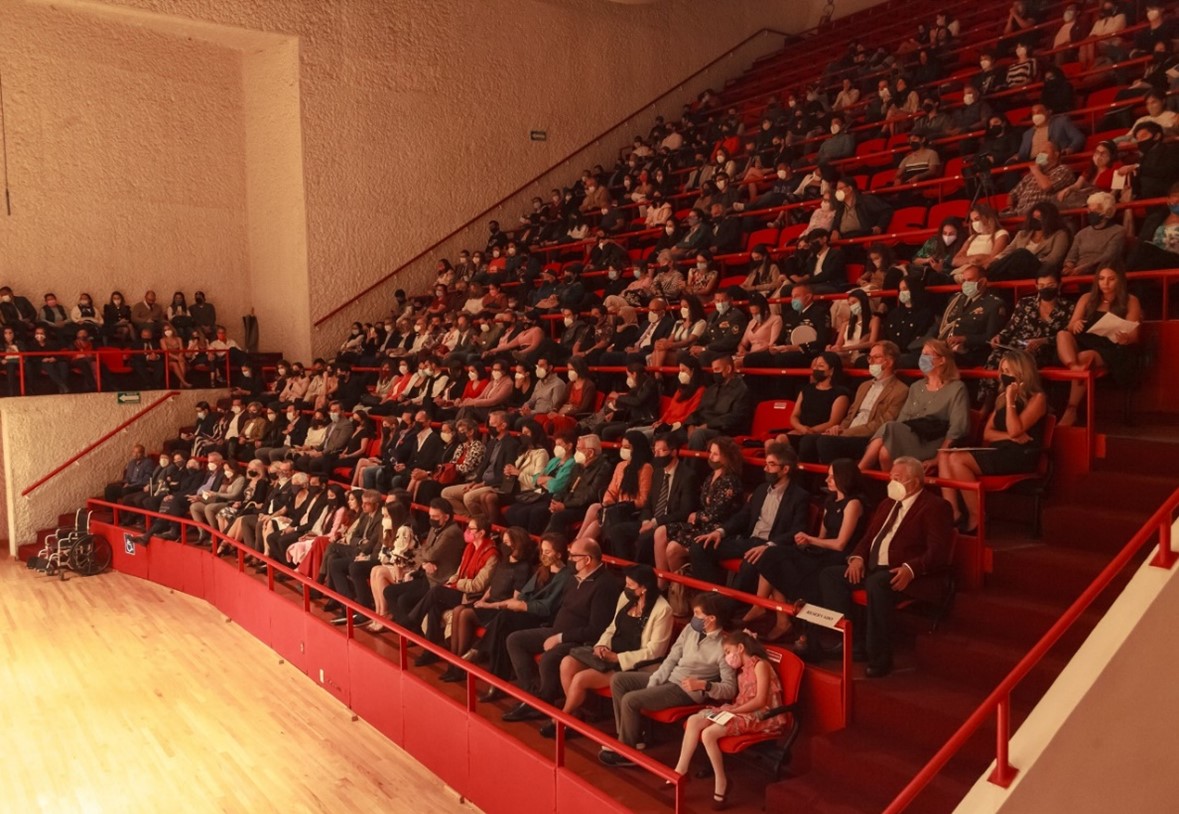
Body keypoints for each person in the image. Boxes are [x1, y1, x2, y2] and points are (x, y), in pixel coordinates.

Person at [814, 457, 954, 677]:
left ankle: (879, 657)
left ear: (915, 482)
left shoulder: (935, 506)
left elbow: (938, 551)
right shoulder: (887, 503)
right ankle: (854, 642)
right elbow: (868, 538)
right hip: (873, 567)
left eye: (897, 479)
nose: (891, 483)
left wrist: (911, 568)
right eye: (890, 478)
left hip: (905, 572)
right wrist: (857, 558)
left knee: (877, 583)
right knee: (830, 576)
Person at [599, 593, 736, 768]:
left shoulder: (724, 646)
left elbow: (730, 688)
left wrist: (705, 685)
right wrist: (655, 680)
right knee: (619, 680)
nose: (693, 617)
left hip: (686, 691)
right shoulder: (690, 630)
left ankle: (627, 752)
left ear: (711, 618)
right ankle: (628, 737)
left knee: (630, 700)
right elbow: (671, 658)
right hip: (670, 679)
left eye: (697, 614)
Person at [540, 564, 673, 738]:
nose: (626, 589)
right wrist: (601, 645)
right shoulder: (626, 597)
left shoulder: (663, 610)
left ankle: (561, 719)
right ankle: (574, 717)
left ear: (644, 588)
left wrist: (617, 657)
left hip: (632, 665)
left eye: (631, 586)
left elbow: (655, 651)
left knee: (580, 679)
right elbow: (612, 627)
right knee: (567, 663)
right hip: (608, 653)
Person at [500, 538, 621, 723]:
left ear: (587, 559)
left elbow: (596, 629)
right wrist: (554, 633)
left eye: (574, 556)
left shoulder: (605, 585)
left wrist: (560, 638)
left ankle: (543, 702)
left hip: (579, 641)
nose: (570, 559)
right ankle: (535, 698)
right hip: (556, 631)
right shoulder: (573, 579)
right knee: (515, 640)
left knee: (550, 658)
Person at [747, 460, 867, 640]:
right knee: (772, 553)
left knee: (787, 564)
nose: (827, 480)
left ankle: (771, 612)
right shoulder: (830, 501)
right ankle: (769, 610)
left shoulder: (854, 504)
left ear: (845, 478)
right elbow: (822, 538)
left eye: (832, 477)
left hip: (839, 557)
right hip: (822, 551)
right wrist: (806, 542)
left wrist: (811, 540)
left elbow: (841, 544)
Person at [671, 631, 790, 808]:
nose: (726, 656)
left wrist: (734, 711)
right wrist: (732, 710)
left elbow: (760, 701)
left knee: (709, 734)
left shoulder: (761, 665)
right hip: (740, 710)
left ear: (740, 648)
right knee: (695, 720)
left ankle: (722, 782)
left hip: (760, 715)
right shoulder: (742, 672)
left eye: (728, 651)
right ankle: (680, 772)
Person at [939, 350, 1048, 534]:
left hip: (1021, 454)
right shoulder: (1000, 398)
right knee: (947, 455)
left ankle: (977, 516)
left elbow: (1015, 429)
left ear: (1022, 372)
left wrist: (1011, 401)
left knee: (958, 460)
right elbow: (988, 434)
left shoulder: (1037, 398)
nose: (1005, 375)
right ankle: (955, 513)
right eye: (1003, 370)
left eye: (1009, 370)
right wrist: (1008, 435)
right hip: (1000, 449)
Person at [690, 441, 811, 595]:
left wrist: (769, 546)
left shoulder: (799, 496)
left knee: (750, 562)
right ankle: (712, 597)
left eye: (771, 465)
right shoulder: (761, 490)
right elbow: (743, 516)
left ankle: (727, 606)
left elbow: (797, 530)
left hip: (770, 547)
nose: (765, 468)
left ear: (785, 469)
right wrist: (720, 532)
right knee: (700, 546)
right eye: (766, 463)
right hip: (749, 541)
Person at [860, 339, 970, 473]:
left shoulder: (956, 388)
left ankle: (859, 471)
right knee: (884, 452)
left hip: (934, 441)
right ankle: (893, 490)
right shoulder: (916, 387)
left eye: (928, 355)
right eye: (922, 354)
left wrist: (938, 458)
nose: (922, 358)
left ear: (942, 360)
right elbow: (903, 419)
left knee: (888, 427)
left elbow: (958, 428)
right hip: (911, 435)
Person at [1056, 266, 1142, 427]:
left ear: (1120, 280)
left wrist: (1126, 338)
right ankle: (1076, 370)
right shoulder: (1087, 298)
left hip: (1112, 347)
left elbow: (1134, 335)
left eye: (1111, 279)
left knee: (1084, 357)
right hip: (1087, 339)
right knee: (1062, 335)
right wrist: (1076, 325)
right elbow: (1070, 326)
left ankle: (1071, 409)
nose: (1105, 283)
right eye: (1101, 279)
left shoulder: (1130, 300)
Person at [408, 516, 501, 660]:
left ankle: (412, 619)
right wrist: (453, 580)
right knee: (434, 607)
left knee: (436, 591)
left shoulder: (491, 555)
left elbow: (479, 585)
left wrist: (458, 584)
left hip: (471, 596)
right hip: (460, 589)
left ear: (481, 533)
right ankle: (430, 651)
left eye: (471, 529)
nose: (468, 531)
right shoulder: (470, 547)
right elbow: (459, 571)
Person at [653, 436, 744, 579]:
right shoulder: (710, 476)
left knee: (672, 550)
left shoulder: (731, 481)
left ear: (726, 457)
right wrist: (697, 515)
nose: (711, 457)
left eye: (715, 454)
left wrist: (697, 515)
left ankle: (681, 590)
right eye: (710, 452)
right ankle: (663, 582)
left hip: (716, 528)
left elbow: (718, 512)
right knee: (660, 531)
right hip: (701, 523)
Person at [980, 270, 1072, 408]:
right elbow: (1011, 327)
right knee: (996, 358)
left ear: (1059, 285)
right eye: (1041, 285)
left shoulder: (1068, 307)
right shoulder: (1025, 303)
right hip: (1017, 345)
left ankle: (1021, 404)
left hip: (1045, 349)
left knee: (1022, 363)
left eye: (1050, 284)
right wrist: (999, 337)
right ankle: (988, 406)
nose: (1045, 288)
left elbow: (1068, 335)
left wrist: (1043, 341)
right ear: (1036, 286)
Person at [810, 341, 909, 464]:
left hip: (867, 437)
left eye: (876, 357)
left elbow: (882, 424)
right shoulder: (864, 385)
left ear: (889, 362)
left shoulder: (900, 390)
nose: (871, 361)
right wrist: (839, 428)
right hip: (848, 433)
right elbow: (850, 415)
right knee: (808, 441)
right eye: (869, 357)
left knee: (825, 442)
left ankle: (836, 480)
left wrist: (846, 433)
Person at [578, 431, 653, 555]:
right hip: (616, 508)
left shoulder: (646, 468)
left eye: (627, 447)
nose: (623, 450)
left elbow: (643, 500)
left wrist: (622, 505)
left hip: (631, 511)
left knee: (598, 522)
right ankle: (580, 544)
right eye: (622, 446)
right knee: (595, 507)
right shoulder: (620, 466)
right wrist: (608, 501)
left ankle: (580, 548)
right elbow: (611, 490)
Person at [937, 266, 1009, 367]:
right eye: (964, 280)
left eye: (970, 280)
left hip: (970, 353)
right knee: (923, 357)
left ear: (983, 281)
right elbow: (945, 323)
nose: (966, 284)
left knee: (936, 361)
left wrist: (965, 339)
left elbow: (991, 337)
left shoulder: (994, 304)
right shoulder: (957, 299)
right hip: (947, 347)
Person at [787, 352, 851, 453]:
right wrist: (801, 428)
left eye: (821, 366)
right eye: (815, 365)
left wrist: (810, 431)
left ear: (831, 370)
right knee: (773, 442)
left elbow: (833, 422)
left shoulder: (840, 393)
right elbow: (794, 415)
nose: (816, 369)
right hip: (801, 431)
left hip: (820, 434)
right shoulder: (806, 389)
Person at [989, 202, 1071, 280]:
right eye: (1034, 218)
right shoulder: (1022, 234)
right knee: (1000, 272)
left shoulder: (1060, 234)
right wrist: (995, 259)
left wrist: (1030, 260)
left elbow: (1054, 259)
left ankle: (987, 273)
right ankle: (988, 273)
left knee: (1022, 253)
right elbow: (1008, 251)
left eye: (1039, 218)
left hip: (1041, 269)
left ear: (1049, 219)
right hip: (1018, 269)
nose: (1035, 220)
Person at [1061, 192, 1126, 278]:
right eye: (1089, 209)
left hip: (1101, 272)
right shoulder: (1082, 233)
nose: (1089, 212)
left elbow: (1109, 257)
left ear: (1106, 211)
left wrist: (1084, 268)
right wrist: (1068, 266)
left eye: (1093, 211)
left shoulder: (1118, 231)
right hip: (1078, 272)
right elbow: (1071, 257)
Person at [1005, 141, 1075, 217]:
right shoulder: (1030, 176)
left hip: (1041, 214)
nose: (1040, 156)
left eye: (1044, 152)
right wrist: (1010, 207)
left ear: (1056, 154)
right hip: (1020, 214)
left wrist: (1036, 171)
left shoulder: (1063, 170)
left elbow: (1046, 187)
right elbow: (1012, 194)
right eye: (1039, 153)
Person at [953, 204, 1009, 275]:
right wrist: (972, 259)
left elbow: (993, 258)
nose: (974, 223)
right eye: (972, 221)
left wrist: (967, 258)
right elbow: (955, 261)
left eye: (977, 219)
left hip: (982, 272)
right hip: (962, 271)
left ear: (988, 218)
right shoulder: (972, 237)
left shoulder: (1001, 234)